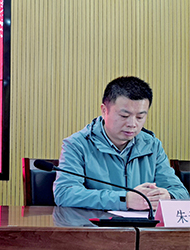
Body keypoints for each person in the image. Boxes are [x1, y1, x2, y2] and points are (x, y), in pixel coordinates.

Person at [54, 76, 189, 211]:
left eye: (140, 117)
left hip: (143, 223)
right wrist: (124, 200)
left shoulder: (152, 145)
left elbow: (181, 193)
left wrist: (168, 196)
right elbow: (64, 194)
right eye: (124, 116)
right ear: (104, 110)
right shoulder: (77, 145)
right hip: (95, 223)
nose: (132, 124)